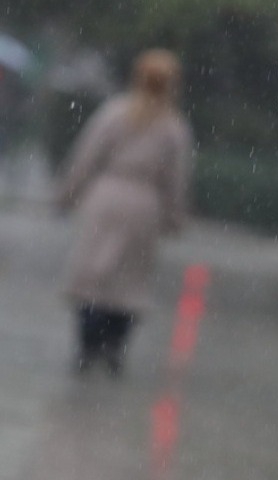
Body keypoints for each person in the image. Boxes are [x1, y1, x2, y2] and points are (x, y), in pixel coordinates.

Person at [55, 48, 193, 376]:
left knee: (94, 274)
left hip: (107, 198)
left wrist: (67, 195)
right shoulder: (173, 127)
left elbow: (86, 156)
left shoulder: (114, 113)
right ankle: (115, 345)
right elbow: (176, 178)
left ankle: (87, 345)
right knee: (130, 281)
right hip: (145, 205)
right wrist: (174, 215)